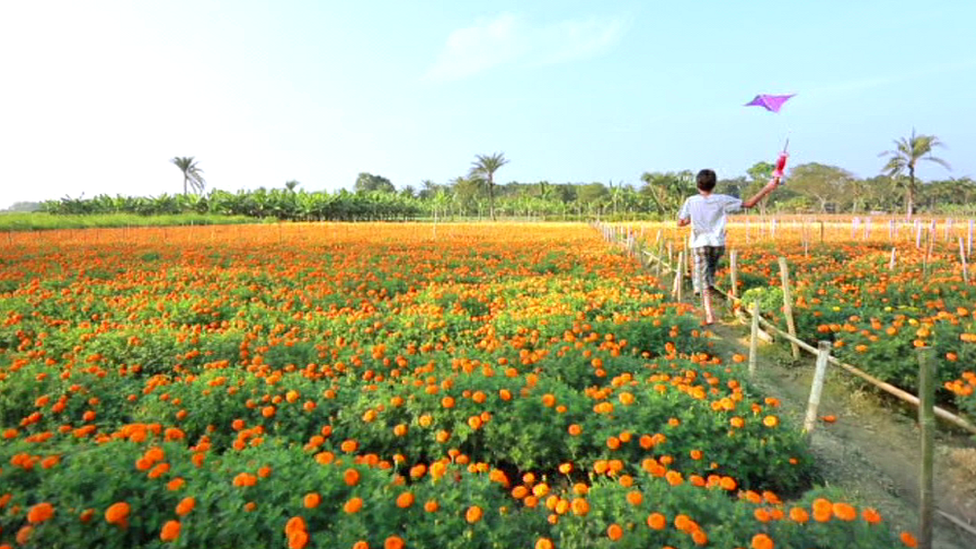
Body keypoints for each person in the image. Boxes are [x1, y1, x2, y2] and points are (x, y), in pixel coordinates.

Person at [677, 169, 780, 325]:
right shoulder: (721, 199)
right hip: (718, 244)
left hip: (700, 243)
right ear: (714, 184)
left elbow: (680, 222)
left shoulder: (691, 201)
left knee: (703, 279)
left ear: (697, 184)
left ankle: (709, 313)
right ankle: (708, 295)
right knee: (708, 276)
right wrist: (768, 187)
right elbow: (749, 204)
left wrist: (694, 219)